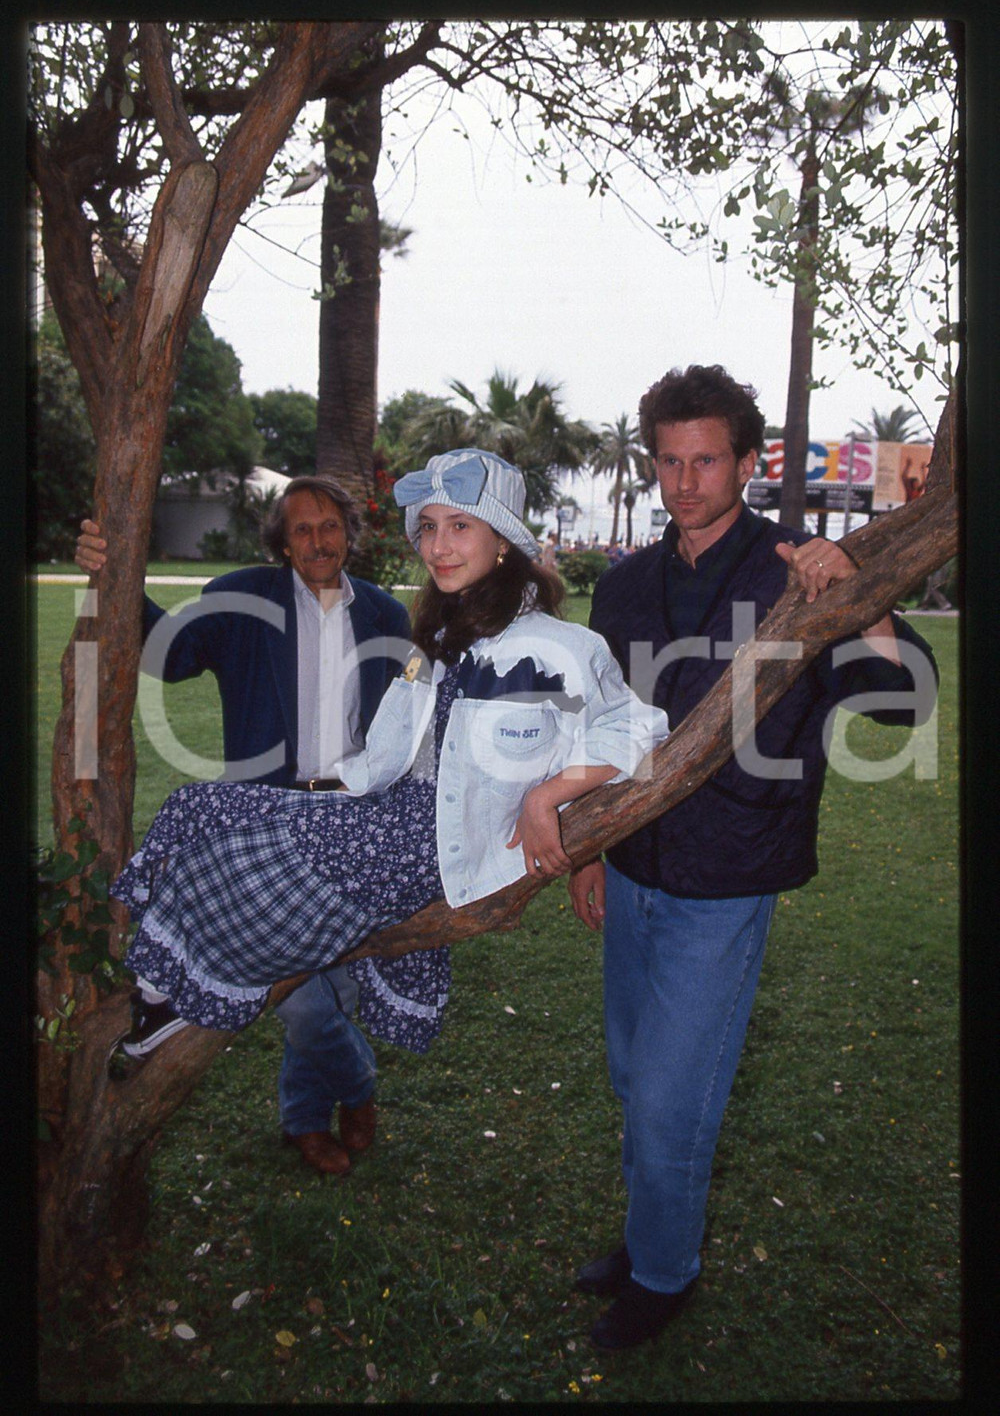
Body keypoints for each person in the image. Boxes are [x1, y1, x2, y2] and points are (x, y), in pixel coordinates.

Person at [568, 364, 937, 1352]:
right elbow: (599, 727)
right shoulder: (624, 584)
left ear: (748, 462)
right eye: (669, 460)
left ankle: (662, 1274)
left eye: (706, 461)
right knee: (630, 1073)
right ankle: (649, 1234)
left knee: (672, 1092)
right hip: (631, 864)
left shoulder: (794, 571)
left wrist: (858, 596)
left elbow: (906, 703)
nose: (685, 481)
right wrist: (587, 851)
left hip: (725, 878)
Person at [109, 449, 669, 1078]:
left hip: (430, 841)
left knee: (258, 866)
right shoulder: (435, 638)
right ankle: (166, 986)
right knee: (197, 806)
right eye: (428, 528)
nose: (439, 546)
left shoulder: (564, 647)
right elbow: (390, 746)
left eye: (460, 526)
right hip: (386, 809)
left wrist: (547, 798)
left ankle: (174, 993)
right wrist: (337, 791)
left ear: (504, 541)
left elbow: (641, 730)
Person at [75, 475, 410, 1176]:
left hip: (350, 815)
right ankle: (359, 1086)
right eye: (302, 529)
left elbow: (398, 725)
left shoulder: (383, 614)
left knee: (338, 980)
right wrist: (116, 575)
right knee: (296, 994)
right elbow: (166, 653)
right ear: (282, 544)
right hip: (265, 820)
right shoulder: (243, 598)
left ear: (349, 530)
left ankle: (302, 1121)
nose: (318, 540)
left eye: (329, 526)